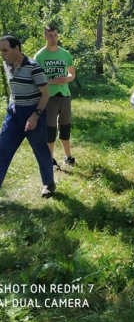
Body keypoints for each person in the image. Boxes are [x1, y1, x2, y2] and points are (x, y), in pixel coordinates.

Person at [0, 35, 56, 197]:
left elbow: (45, 94)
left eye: (5, 50)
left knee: (40, 150)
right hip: (14, 113)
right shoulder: (6, 64)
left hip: (33, 112)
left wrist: (35, 116)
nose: (2, 54)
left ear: (16, 48)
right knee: (3, 149)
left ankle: (48, 184)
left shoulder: (34, 67)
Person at [34, 25, 76, 169]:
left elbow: (72, 74)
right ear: (45, 36)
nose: (53, 38)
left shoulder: (65, 54)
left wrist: (65, 78)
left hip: (65, 95)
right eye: (50, 35)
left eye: (55, 35)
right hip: (49, 97)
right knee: (50, 129)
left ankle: (68, 156)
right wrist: (52, 80)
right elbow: (36, 79)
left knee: (65, 127)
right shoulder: (39, 56)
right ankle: (50, 159)